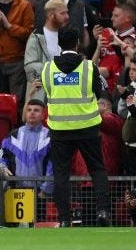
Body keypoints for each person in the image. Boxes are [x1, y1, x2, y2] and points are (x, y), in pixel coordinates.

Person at [37, 25, 111, 226]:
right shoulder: (88, 67)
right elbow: (98, 92)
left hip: (60, 130)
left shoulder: (47, 69)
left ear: (59, 43)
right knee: (97, 169)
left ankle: (63, 219)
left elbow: (49, 94)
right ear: (77, 43)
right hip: (88, 127)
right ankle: (103, 211)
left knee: (61, 173)